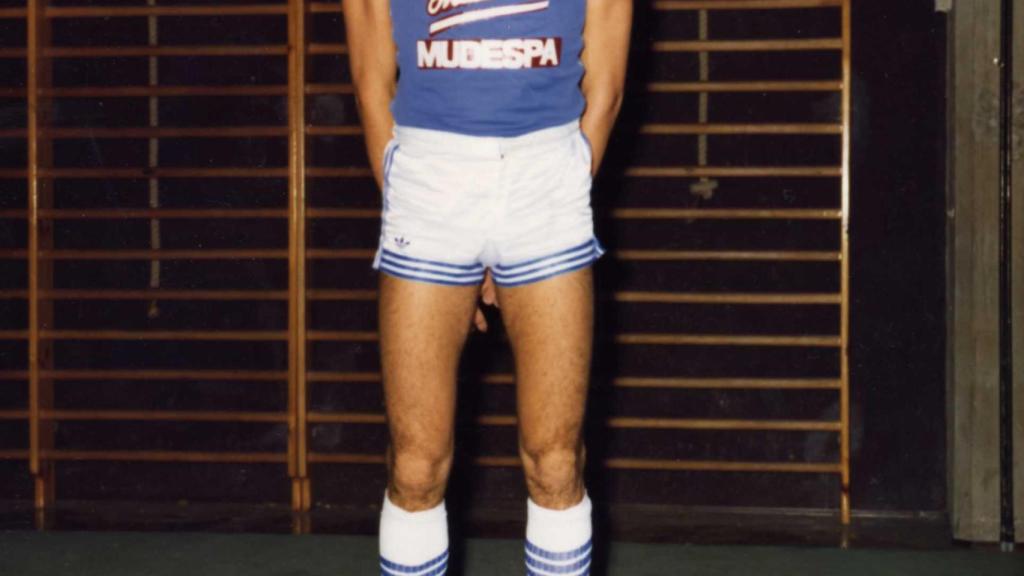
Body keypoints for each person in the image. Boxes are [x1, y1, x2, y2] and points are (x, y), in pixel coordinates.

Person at [343, 1, 631, 574]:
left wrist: (558, 197)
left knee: (555, 463)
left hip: (545, 178)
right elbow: (371, 87)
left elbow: (607, 87)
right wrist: (414, 211)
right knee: (416, 467)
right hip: (429, 183)